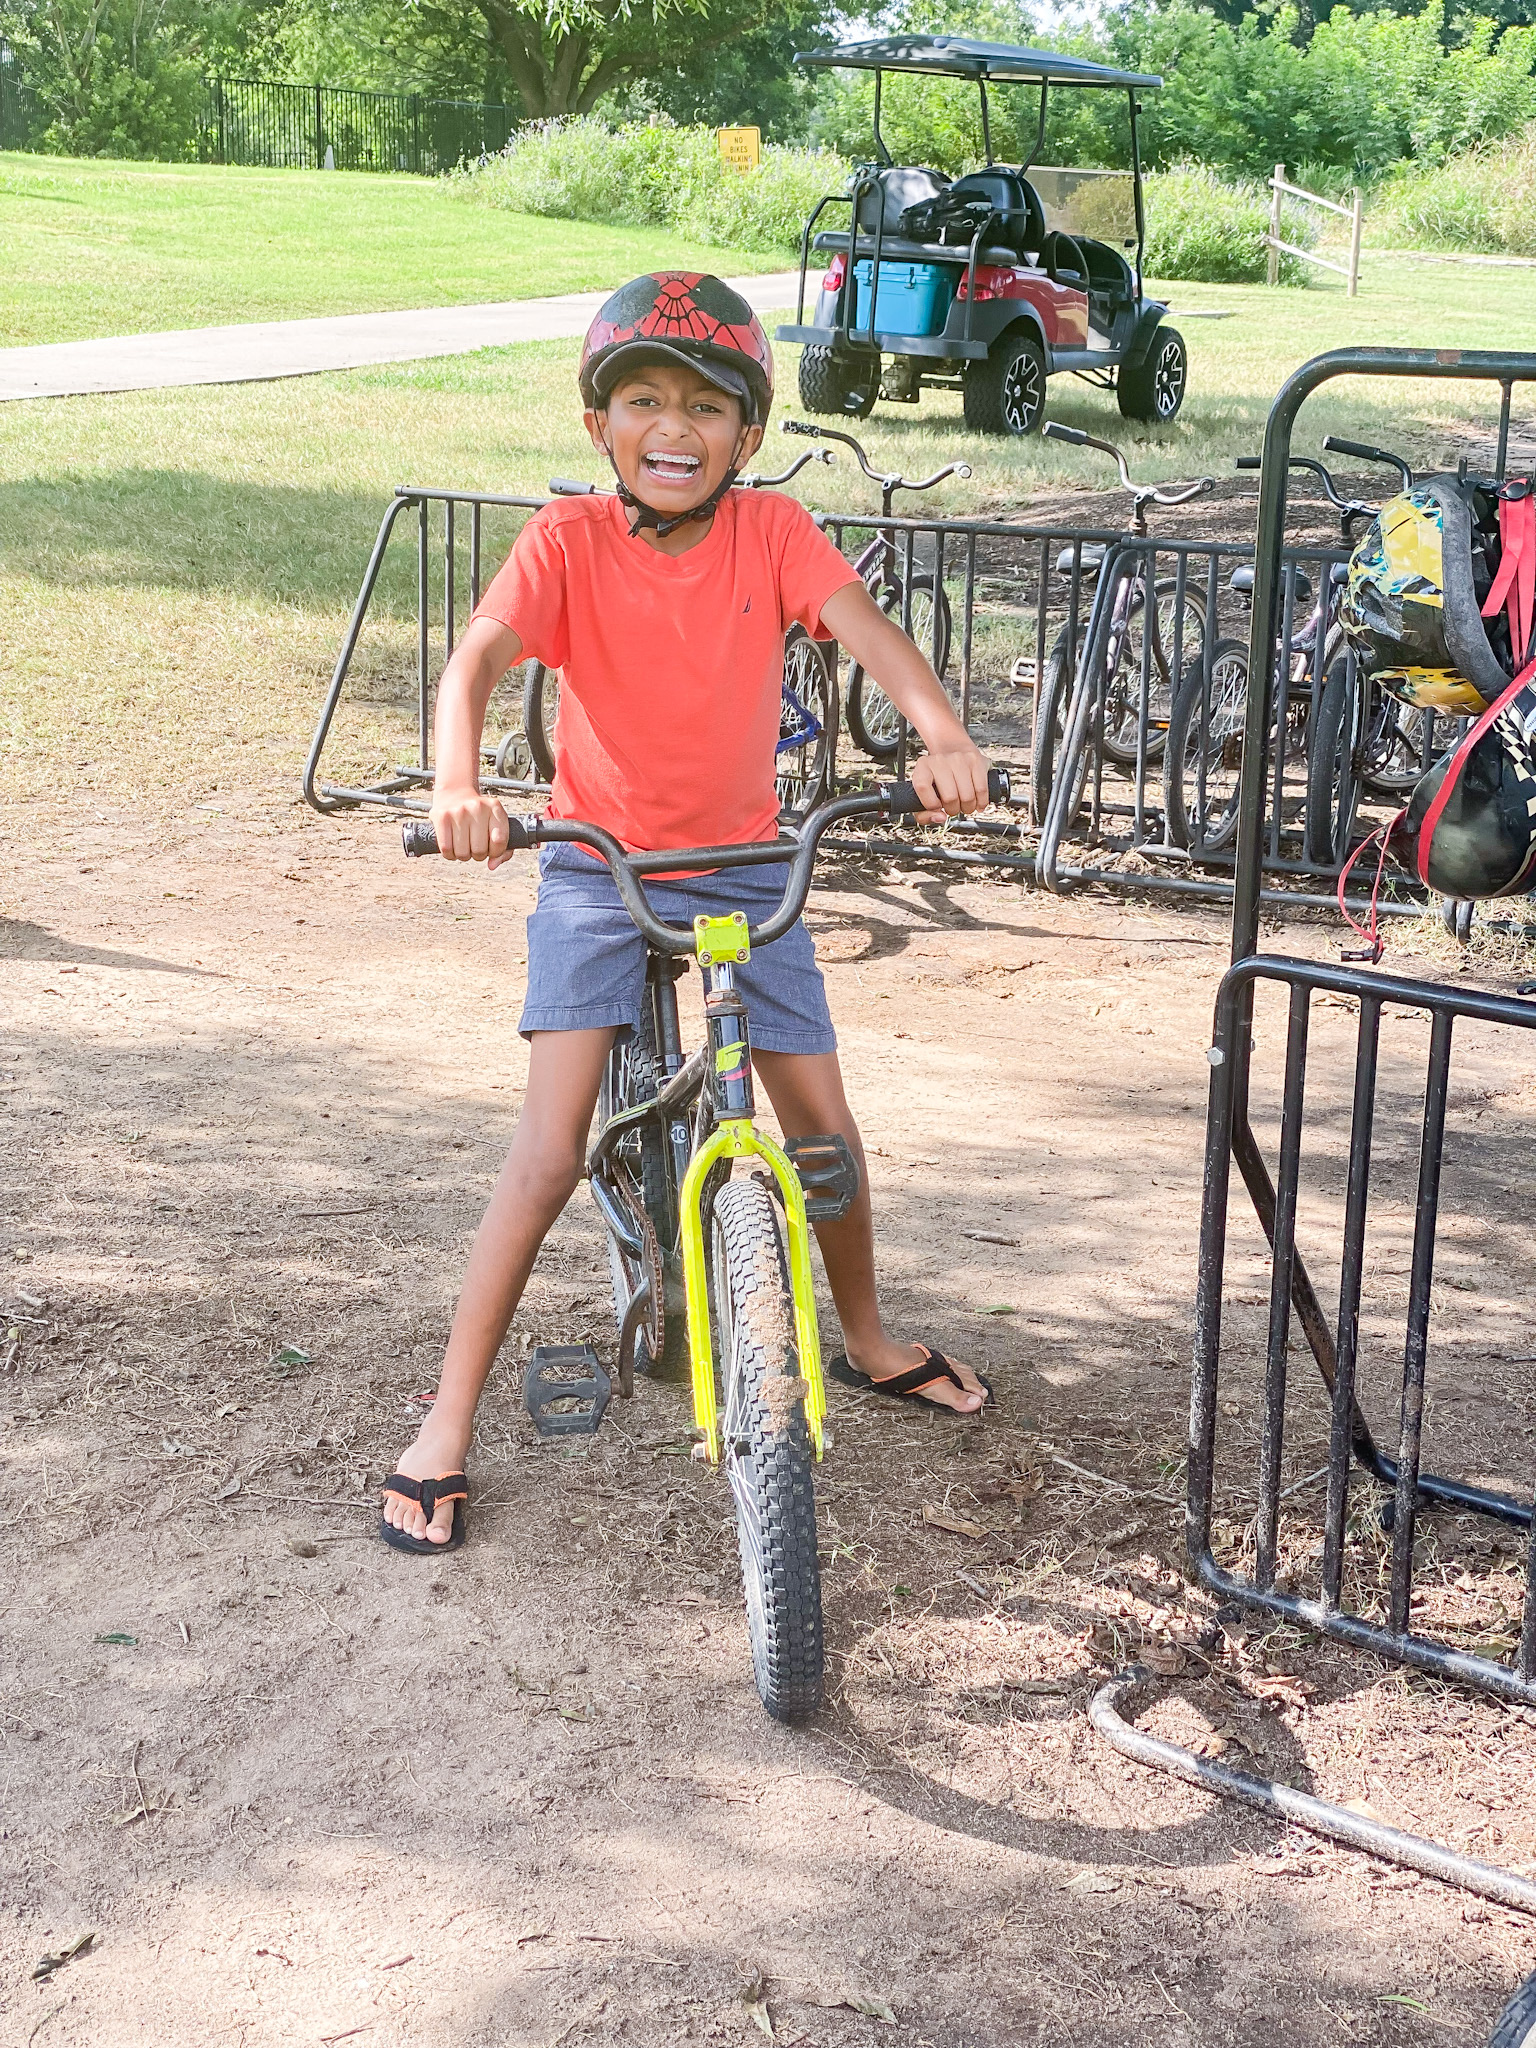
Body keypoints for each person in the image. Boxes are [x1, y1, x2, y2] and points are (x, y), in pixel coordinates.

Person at [381, 272, 995, 1554]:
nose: (675, 426)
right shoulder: (567, 540)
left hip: (743, 866)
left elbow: (869, 631)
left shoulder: (773, 532)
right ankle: (445, 1417)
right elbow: (476, 660)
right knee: (549, 1148)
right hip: (595, 865)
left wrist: (940, 732)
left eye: (708, 406)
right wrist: (457, 784)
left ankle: (867, 1334)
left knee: (821, 1127)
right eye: (645, 401)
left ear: (748, 435)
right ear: (599, 424)